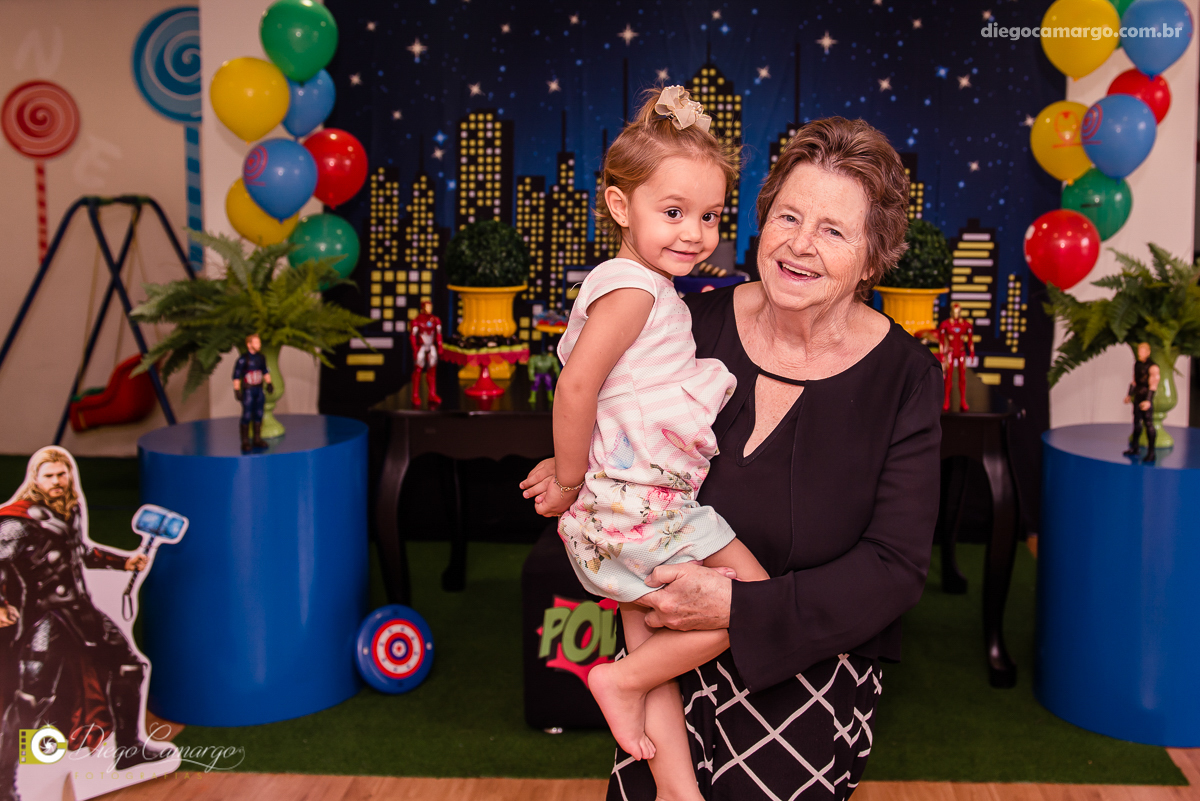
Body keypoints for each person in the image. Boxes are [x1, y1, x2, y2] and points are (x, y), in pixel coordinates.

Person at [523, 116, 942, 800]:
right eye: (788, 217)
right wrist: (568, 469)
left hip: (807, 664)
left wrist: (742, 605)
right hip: (666, 658)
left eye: (833, 231)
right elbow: (613, 414)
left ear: (872, 258)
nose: (800, 244)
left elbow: (894, 570)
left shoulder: (905, 377)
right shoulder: (686, 323)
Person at [523, 85, 770, 801]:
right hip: (642, 506)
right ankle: (620, 680)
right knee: (755, 601)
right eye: (673, 212)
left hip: (626, 504)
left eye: (709, 215)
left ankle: (675, 790)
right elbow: (575, 387)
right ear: (619, 205)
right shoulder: (633, 290)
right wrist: (570, 479)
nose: (695, 233)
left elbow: (605, 399)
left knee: (649, 640)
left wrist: (575, 468)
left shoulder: (638, 286)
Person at [0, 448, 173, 800]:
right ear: (36, 478)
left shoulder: (70, 509)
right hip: (44, 619)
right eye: (50, 475)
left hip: (80, 612)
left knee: (129, 667)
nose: (57, 481)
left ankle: (128, 750)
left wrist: (123, 562)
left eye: (62, 474)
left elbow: (80, 552)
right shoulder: (17, 520)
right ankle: (5, 782)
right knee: (31, 698)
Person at [232, 332, 273, 452]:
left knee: (259, 413)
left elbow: (265, 371)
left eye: (259, 342)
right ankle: (245, 441)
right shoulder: (243, 360)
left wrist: (269, 383)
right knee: (247, 414)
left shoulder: (261, 358)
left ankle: (257, 439)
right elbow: (236, 375)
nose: (259, 345)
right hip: (248, 390)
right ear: (249, 344)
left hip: (259, 389)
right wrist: (237, 390)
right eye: (256, 342)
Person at [1122, 341, 1159, 462]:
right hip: (1137, 397)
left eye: (1142, 351)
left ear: (1148, 352)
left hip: (1145, 398)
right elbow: (1134, 381)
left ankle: (1151, 452)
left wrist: (1148, 400)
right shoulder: (1137, 364)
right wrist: (1129, 394)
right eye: (1139, 351)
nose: (1140, 354)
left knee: (1148, 424)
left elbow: (1153, 385)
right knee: (1136, 423)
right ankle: (1135, 447)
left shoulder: (1153, 367)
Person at [410, 298, 444, 408]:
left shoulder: (435, 320)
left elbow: (438, 334)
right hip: (421, 346)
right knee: (418, 371)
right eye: (427, 307)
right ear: (422, 308)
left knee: (432, 372)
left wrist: (440, 346)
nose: (429, 309)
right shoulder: (417, 320)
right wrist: (415, 349)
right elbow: (413, 336)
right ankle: (415, 395)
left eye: (430, 306)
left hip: (431, 346)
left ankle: (432, 394)